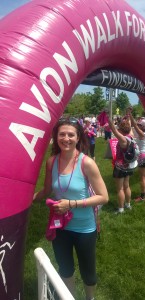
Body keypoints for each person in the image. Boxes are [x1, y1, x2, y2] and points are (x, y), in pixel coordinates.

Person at [33, 117, 109, 300]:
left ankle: (89, 298)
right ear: (56, 137)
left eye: (70, 135)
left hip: (84, 227)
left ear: (78, 138)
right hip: (60, 227)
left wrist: (71, 204)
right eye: (62, 134)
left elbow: (104, 197)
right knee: (65, 269)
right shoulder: (52, 161)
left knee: (88, 273)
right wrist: (27, 200)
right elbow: (47, 189)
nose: (66, 138)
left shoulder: (86, 163)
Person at [109, 116, 137, 214]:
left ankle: (121, 209)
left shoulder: (123, 140)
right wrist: (128, 117)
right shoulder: (131, 136)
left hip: (120, 166)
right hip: (128, 166)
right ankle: (128, 205)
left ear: (121, 130)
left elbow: (113, 130)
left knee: (120, 188)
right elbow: (126, 127)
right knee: (127, 186)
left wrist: (109, 120)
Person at [127, 108, 145, 202]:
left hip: (143, 157)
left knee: (142, 177)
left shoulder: (142, 134)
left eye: (139, 125)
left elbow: (134, 124)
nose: (138, 125)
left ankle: (142, 197)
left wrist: (130, 114)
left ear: (142, 126)